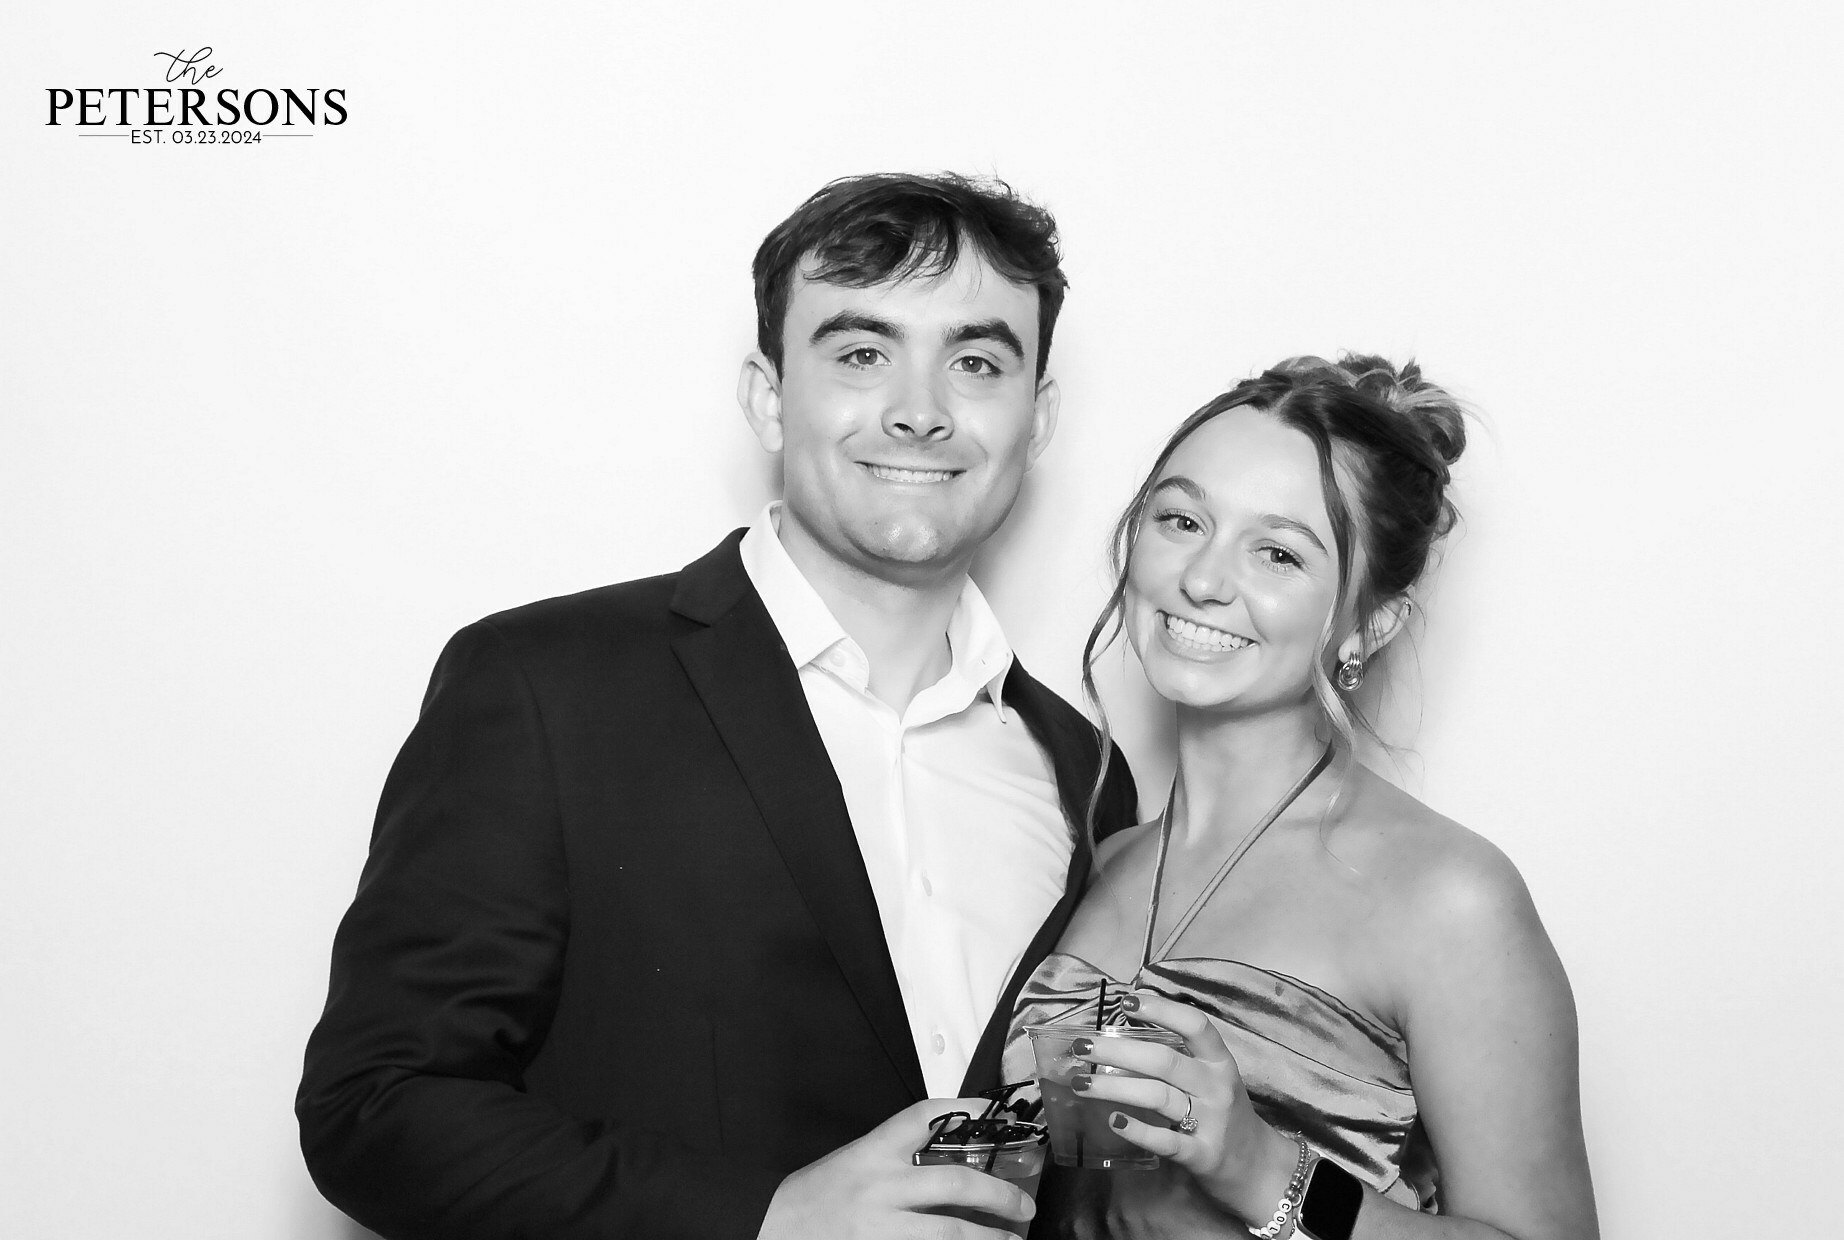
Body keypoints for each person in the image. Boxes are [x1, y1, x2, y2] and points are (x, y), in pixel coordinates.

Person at [297, 172, 1138, 1240]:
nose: (920, 410)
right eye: (861, 353)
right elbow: (375, 1108)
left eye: (974, 362)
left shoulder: (1085, 772)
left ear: (1037, 416)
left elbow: (1073, 1155)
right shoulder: (545, 687)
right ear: (769, 397)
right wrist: (763, 1219)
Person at [1005, 356, 1597, 1238]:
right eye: (1181, 520)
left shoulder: (1450, 900)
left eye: (1278, 553)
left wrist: (1260, 1169)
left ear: (1370, 624)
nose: (1203, 579)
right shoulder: (1106, 858)